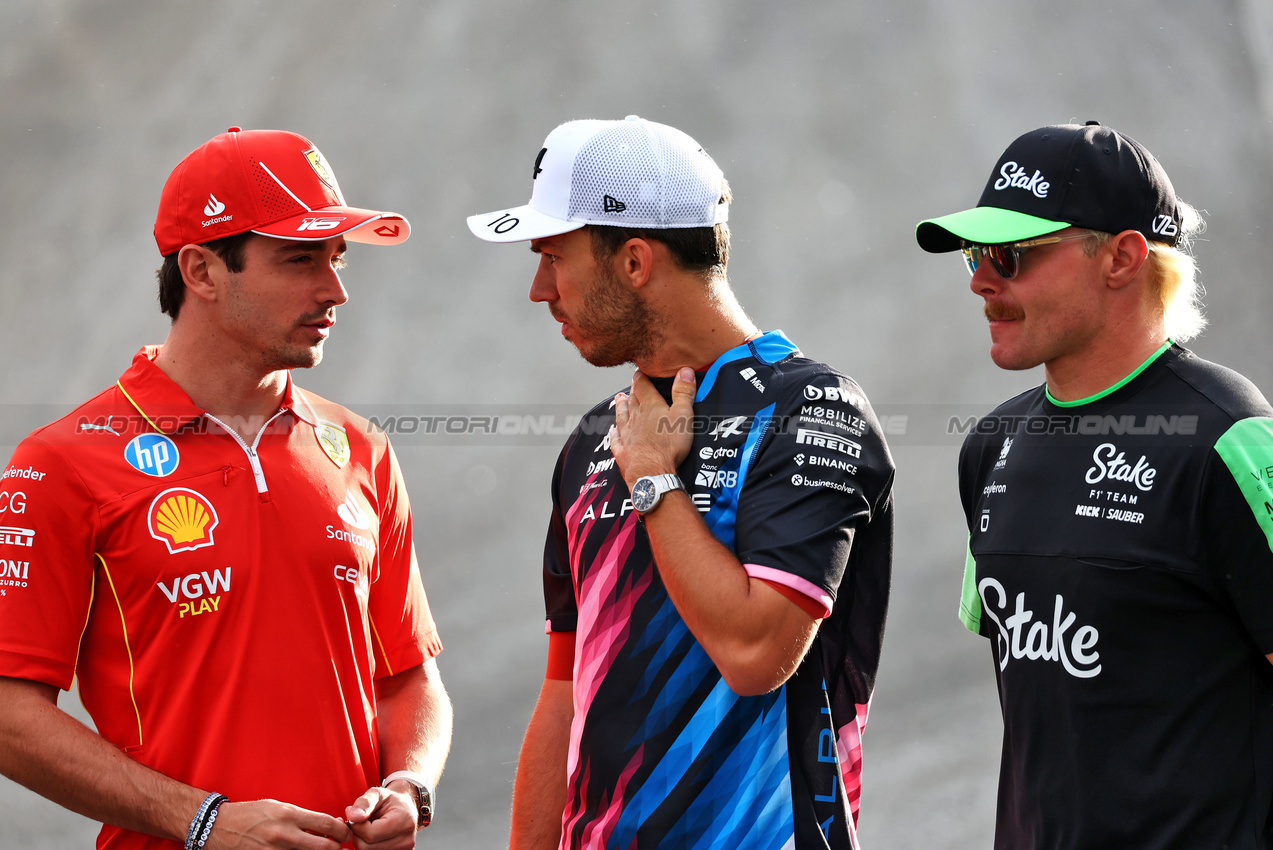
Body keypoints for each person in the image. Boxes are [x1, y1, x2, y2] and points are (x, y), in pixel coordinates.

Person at [0, 127, 451, 850]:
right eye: (300, 259)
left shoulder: (362, 448)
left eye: (336, 259)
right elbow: (8, 715)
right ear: (202, 272)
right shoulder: (61, 462)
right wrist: (201, 821)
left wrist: (409, 784)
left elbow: (408, 679)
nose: (335, 290)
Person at [467, 116, 894, 850]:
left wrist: (656, 484)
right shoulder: (597, 435)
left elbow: (757, 656)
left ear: (634, 260)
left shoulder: (813, 409)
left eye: (551, 256)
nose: (539, 290)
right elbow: (564, 696)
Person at [916, 122, 1273, 848]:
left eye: (1009, 255)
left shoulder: (1229, 438)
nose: (982, 280)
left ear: (1120, 258)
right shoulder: (989, 448)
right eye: (974, 257)